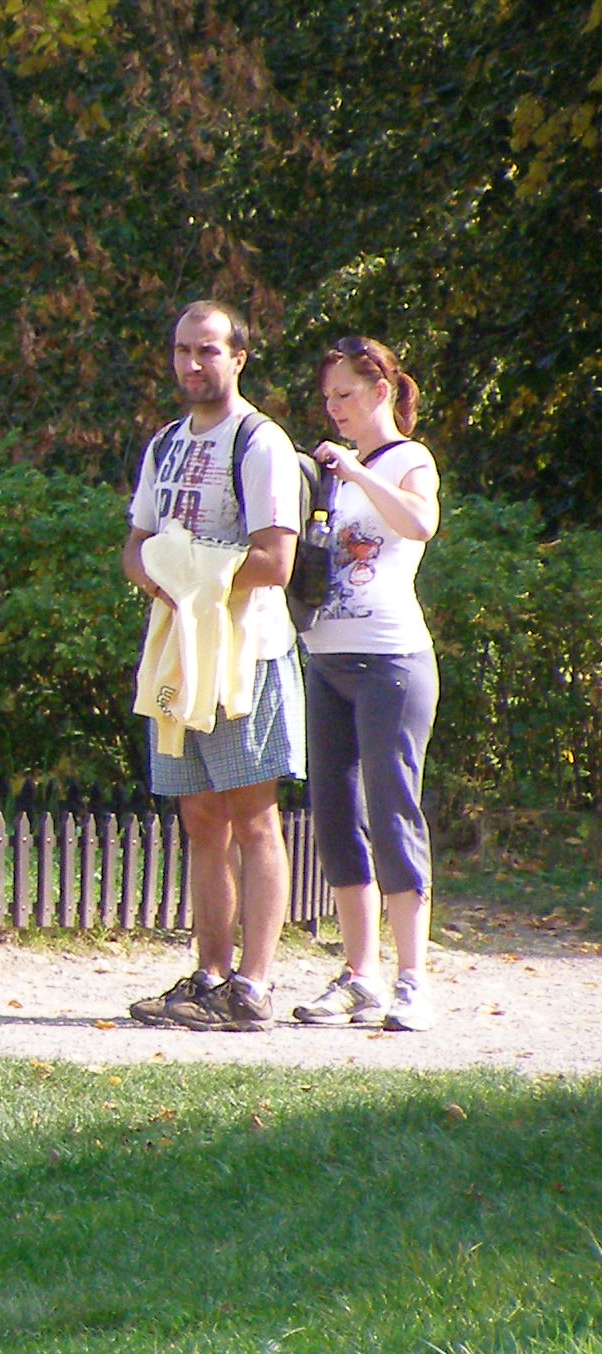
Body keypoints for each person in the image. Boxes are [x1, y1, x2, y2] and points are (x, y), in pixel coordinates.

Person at [122, 300, 305, 1032]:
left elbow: (276, 560)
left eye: (207, 350)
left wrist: (191, 574)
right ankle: (209, 976)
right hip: (178, 653)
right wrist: (161, 580)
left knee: (253, 817)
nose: (193, 364)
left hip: (245, 653)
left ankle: (253, 987)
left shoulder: (260, 442)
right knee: (199, 818)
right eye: (182, 350)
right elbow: (136, 544)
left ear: (238, 357)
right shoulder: (164, 444)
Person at [287, 336, 443, 1032]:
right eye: (328, 398)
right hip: (325, 661)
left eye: (346, 394)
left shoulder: (408, 460)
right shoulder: (328, 473)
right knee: (335, 817)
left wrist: (355, 470)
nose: (335, 408)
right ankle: (360, 976)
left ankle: (412, 980)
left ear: (381, 390)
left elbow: (420, 522)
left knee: (392, 811)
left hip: (390, 663)